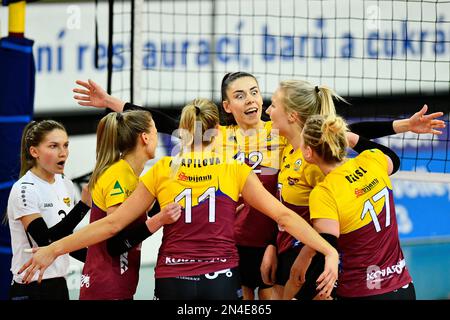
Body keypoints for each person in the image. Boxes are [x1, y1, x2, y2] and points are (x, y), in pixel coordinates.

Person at [18, 98, 339, 300]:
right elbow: (285, 217)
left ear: (184, 132)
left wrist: (53, 248)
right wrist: (328, 250)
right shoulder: (234, 169)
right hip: (220, 276)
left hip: (173, 277)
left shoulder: (162, 170)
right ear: (217, 131)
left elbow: (113, 224)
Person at [73, 74, 285, 300]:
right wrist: (109, 102)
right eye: (240, 95)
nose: (251, 100)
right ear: (227, 106)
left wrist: (274, 243)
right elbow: (162, 121)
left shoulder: (280, 133)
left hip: (268, 243)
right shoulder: (217, 135)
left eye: (254, 92)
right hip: (229, 246)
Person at [263, 80, 445, 300]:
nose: (267, 110)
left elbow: (327, 242)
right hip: (396, 282)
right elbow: (380, 151)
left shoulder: (323, 183)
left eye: (273, 105)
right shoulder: (371, 161)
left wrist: (301, 272)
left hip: (343, 278)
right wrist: (403, 125)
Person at [295, 114, 416, 299]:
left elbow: (325, 254)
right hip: (403, 288)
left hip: (362, 291)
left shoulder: (324, 192)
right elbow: (394, 158)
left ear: (308, 152)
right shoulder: (372, 160)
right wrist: (349, 138)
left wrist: (299, 297)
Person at [79, 110, 180, 300]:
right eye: (156, 132)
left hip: (115, 285)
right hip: (106, 287)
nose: (158, 139)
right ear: (145, 137)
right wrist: (159, 219)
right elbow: (115, 244)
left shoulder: (131, 177)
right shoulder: (120, 175)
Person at [6, 120, 91, 300]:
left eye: (65, 145)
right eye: (53, 146)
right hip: (31, 287)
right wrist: (83, 206)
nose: (63, 153)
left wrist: (97, 260)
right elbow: (47, 240)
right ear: (34, 151)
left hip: (60, 284)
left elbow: (64, 241)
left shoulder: (65, 184)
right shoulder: (25, 189)